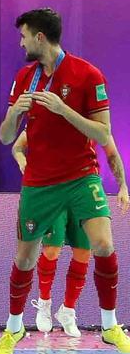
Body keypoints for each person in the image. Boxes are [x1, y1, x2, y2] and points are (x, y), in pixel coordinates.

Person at [0, 8, 129, 354]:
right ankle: (14, 328)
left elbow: (104, 133)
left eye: (24, 36)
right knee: (25, 258)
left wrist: (63, 109)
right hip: (39, 183)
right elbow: (7, 138)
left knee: (102, 244)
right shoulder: (24, 78)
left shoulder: (87, 74)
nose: (20, 42)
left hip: (83, 177)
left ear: (40, 37)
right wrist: (13, 114)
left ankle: (111, 326)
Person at [15, 130, 124, 337]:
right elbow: (18, 146)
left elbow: (111, 150)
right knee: (52, 250)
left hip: (82, 191)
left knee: (83, 253)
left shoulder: (91, 119)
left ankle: (68, 310)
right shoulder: (47, 115)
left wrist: (123, 187)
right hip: (53, 191)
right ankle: (45, 302)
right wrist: (23, 161)